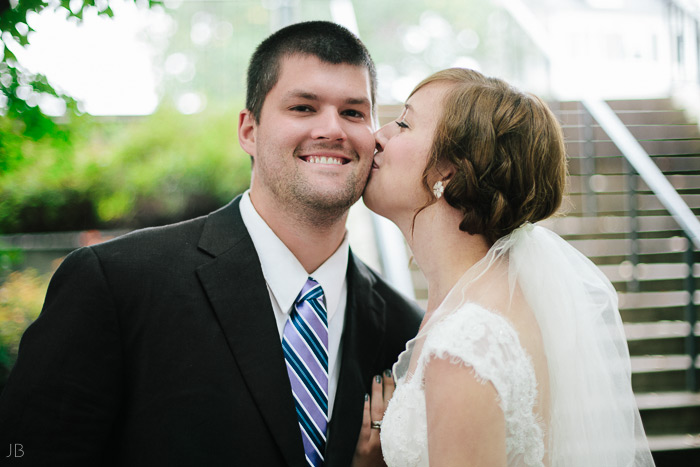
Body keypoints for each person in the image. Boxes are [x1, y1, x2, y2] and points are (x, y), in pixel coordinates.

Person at [0, 21, 422, 467]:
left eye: (354, 113)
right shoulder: (116, 283)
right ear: (249, 131)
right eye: (303, 107)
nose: (331, 129)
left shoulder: (407, 334)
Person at [359, 68, 655, 466]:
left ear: (450, 170)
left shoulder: (464, 345)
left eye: (404, 123)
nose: (379, 136)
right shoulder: (492, 303)